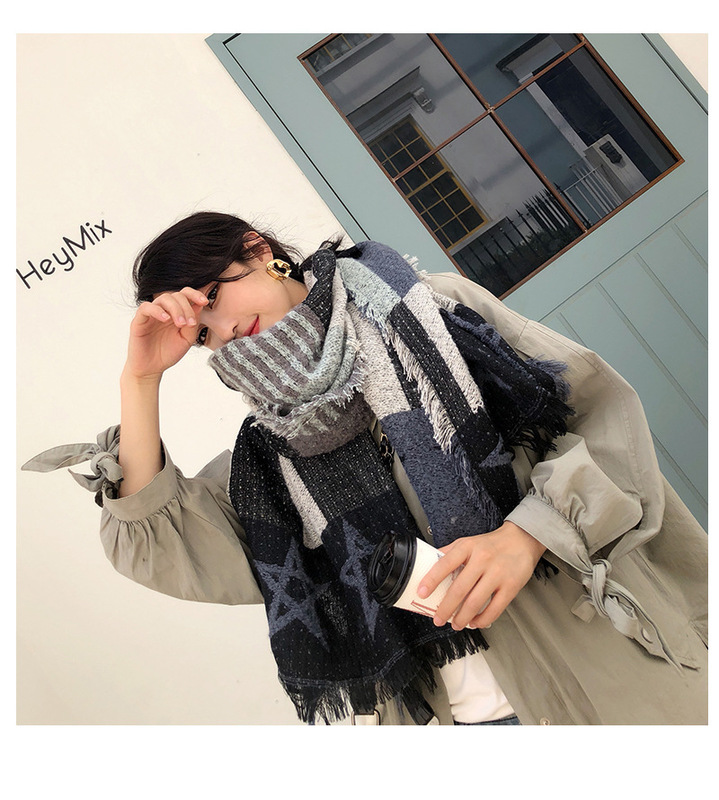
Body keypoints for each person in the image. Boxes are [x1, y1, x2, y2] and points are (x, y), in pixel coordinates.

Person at [23, 211, 708, 726]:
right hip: (483, 720)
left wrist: (526, 534)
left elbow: (599, 414)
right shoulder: (268, 455)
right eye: (200, 333)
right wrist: (140, 380)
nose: (219, 331)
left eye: (210, 300)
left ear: (258, 253)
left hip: (604, 657)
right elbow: (158, 545)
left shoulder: (433, 313)